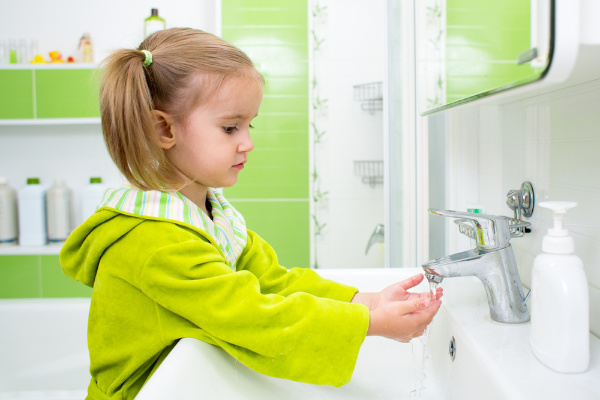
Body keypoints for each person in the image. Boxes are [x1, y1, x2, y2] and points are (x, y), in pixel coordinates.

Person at [60, 28, 442, 400]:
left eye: (248, 124)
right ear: (164, 128)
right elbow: (253, 317)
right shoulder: (154, 240)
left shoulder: (208, 213)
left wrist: (368, 301)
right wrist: (369, 324)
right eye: (230, 127)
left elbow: (273, 282)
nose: (248, 142)